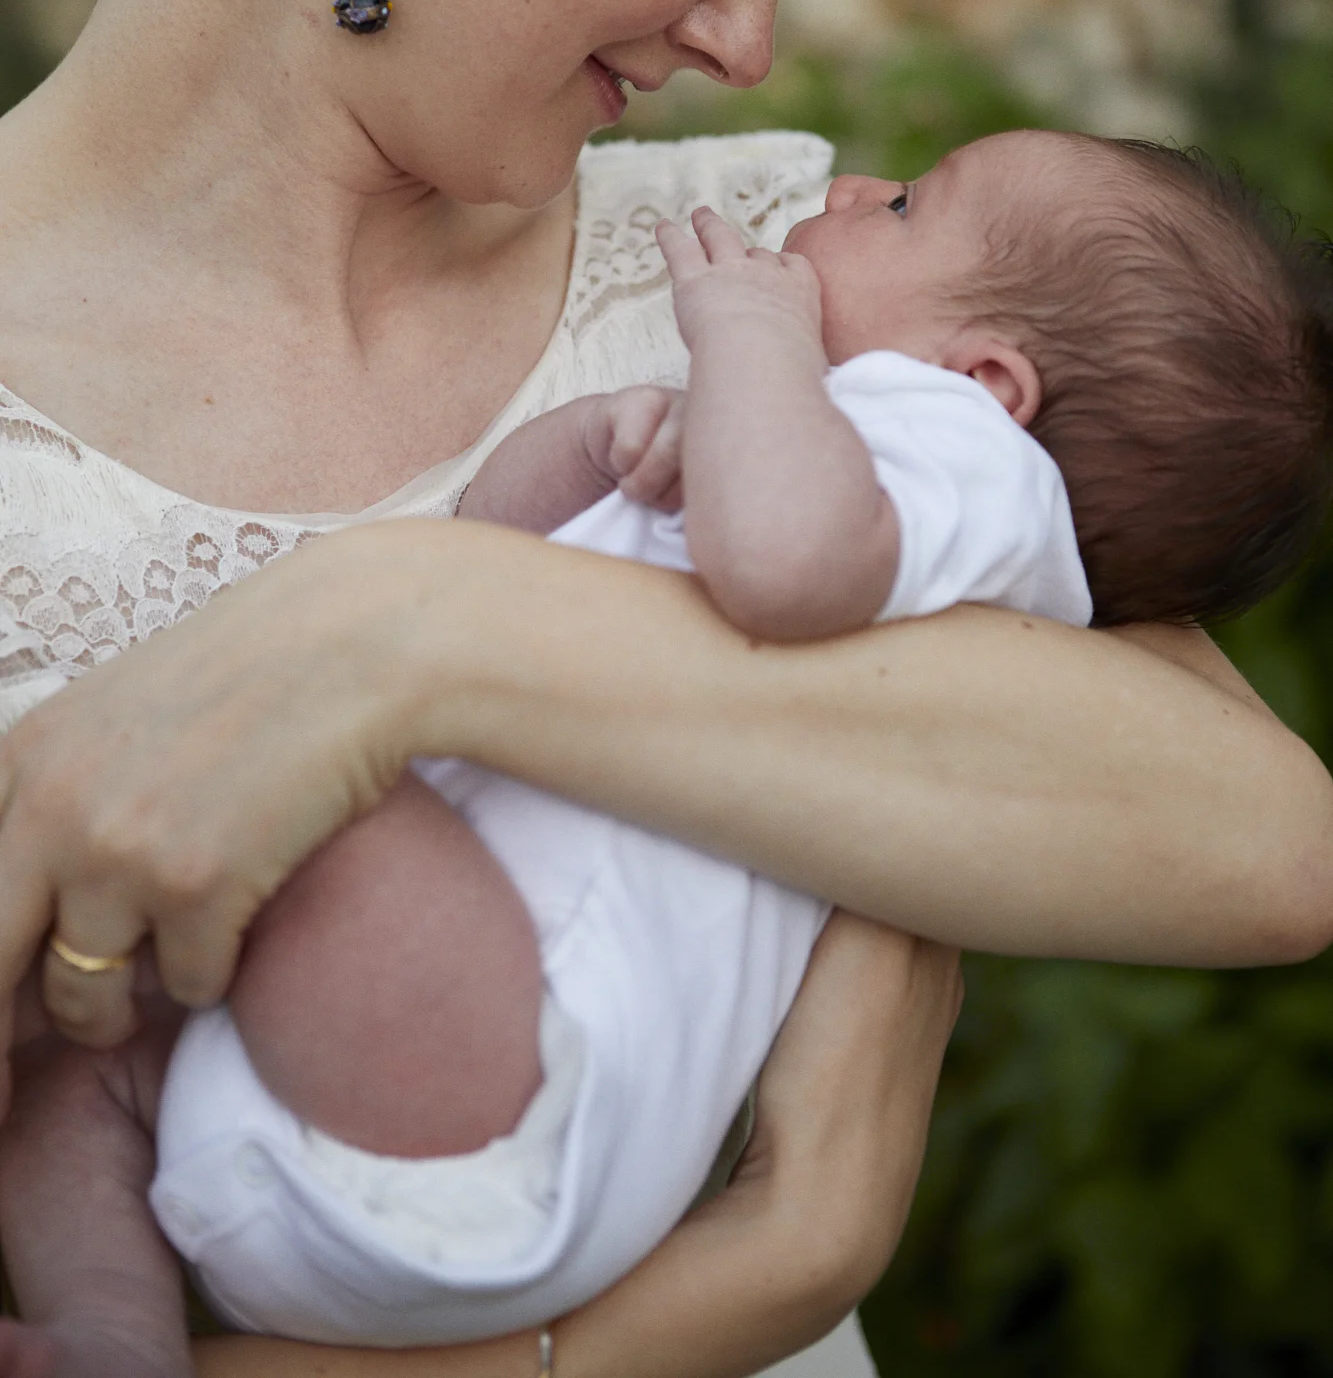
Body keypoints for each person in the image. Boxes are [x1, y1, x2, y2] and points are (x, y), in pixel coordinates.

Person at [0, 0, 1331, 1373]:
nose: (756, 32)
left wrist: (414, 624)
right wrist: (765, 1269)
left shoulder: (774, 283)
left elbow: (1262, 837)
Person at [4, 127, 1333, 1376]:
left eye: (912, 204)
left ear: (987, 386)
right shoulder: (840, 436)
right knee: (80, 1069)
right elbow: (494, 557)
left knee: (286, 772)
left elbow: (781, 569)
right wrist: (591, 442)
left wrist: (749, 332)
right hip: (366, 1097)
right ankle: (104, 1338)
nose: (859, 189)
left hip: (507, 1074)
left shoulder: (964, 474)